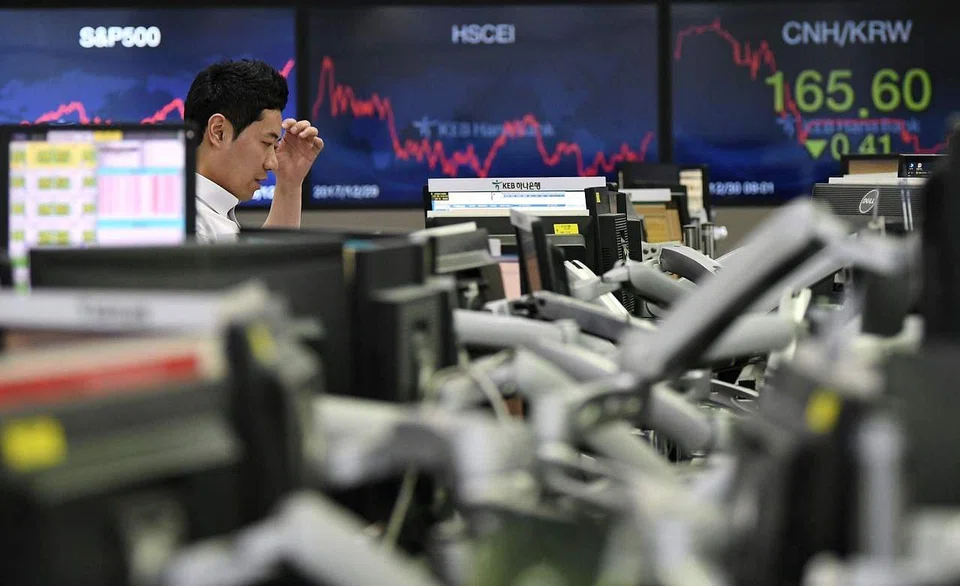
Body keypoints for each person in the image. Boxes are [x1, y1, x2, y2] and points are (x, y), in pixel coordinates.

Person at [184, 59, 325, 243]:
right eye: (267, 143)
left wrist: (289, 182)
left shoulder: (208, 214)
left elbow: (266, 259)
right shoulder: (191, 227)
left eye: (275, 146)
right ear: (219, 132)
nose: (272, 163)